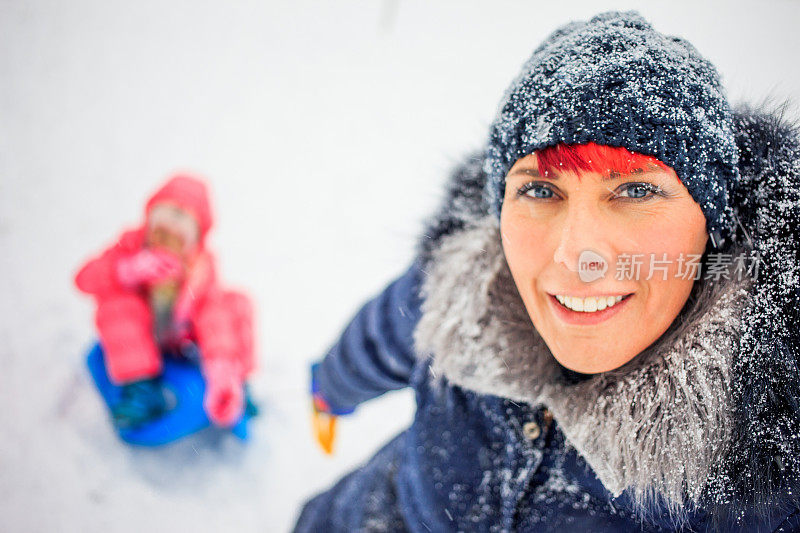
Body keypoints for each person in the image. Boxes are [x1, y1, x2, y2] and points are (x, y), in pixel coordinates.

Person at [293, 10, 800, 532]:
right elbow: (382, 336)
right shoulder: (464, 283)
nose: (576, 255)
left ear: (711, 225)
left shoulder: (766, 470)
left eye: (635, 190)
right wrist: (330, 389)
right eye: (539, 190)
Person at [74, 174, 256, 430]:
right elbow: (84, 280)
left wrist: (221, 368)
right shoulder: (131, 246)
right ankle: (142, 390)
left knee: (235, 304)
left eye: (180, 225)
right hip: (141, 339)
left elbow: (214, 319)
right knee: (116, 303)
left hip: (188, 340)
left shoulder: (201, 268)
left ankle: (234, 382)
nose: (169, 232)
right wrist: (127, 270)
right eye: (163, 221)